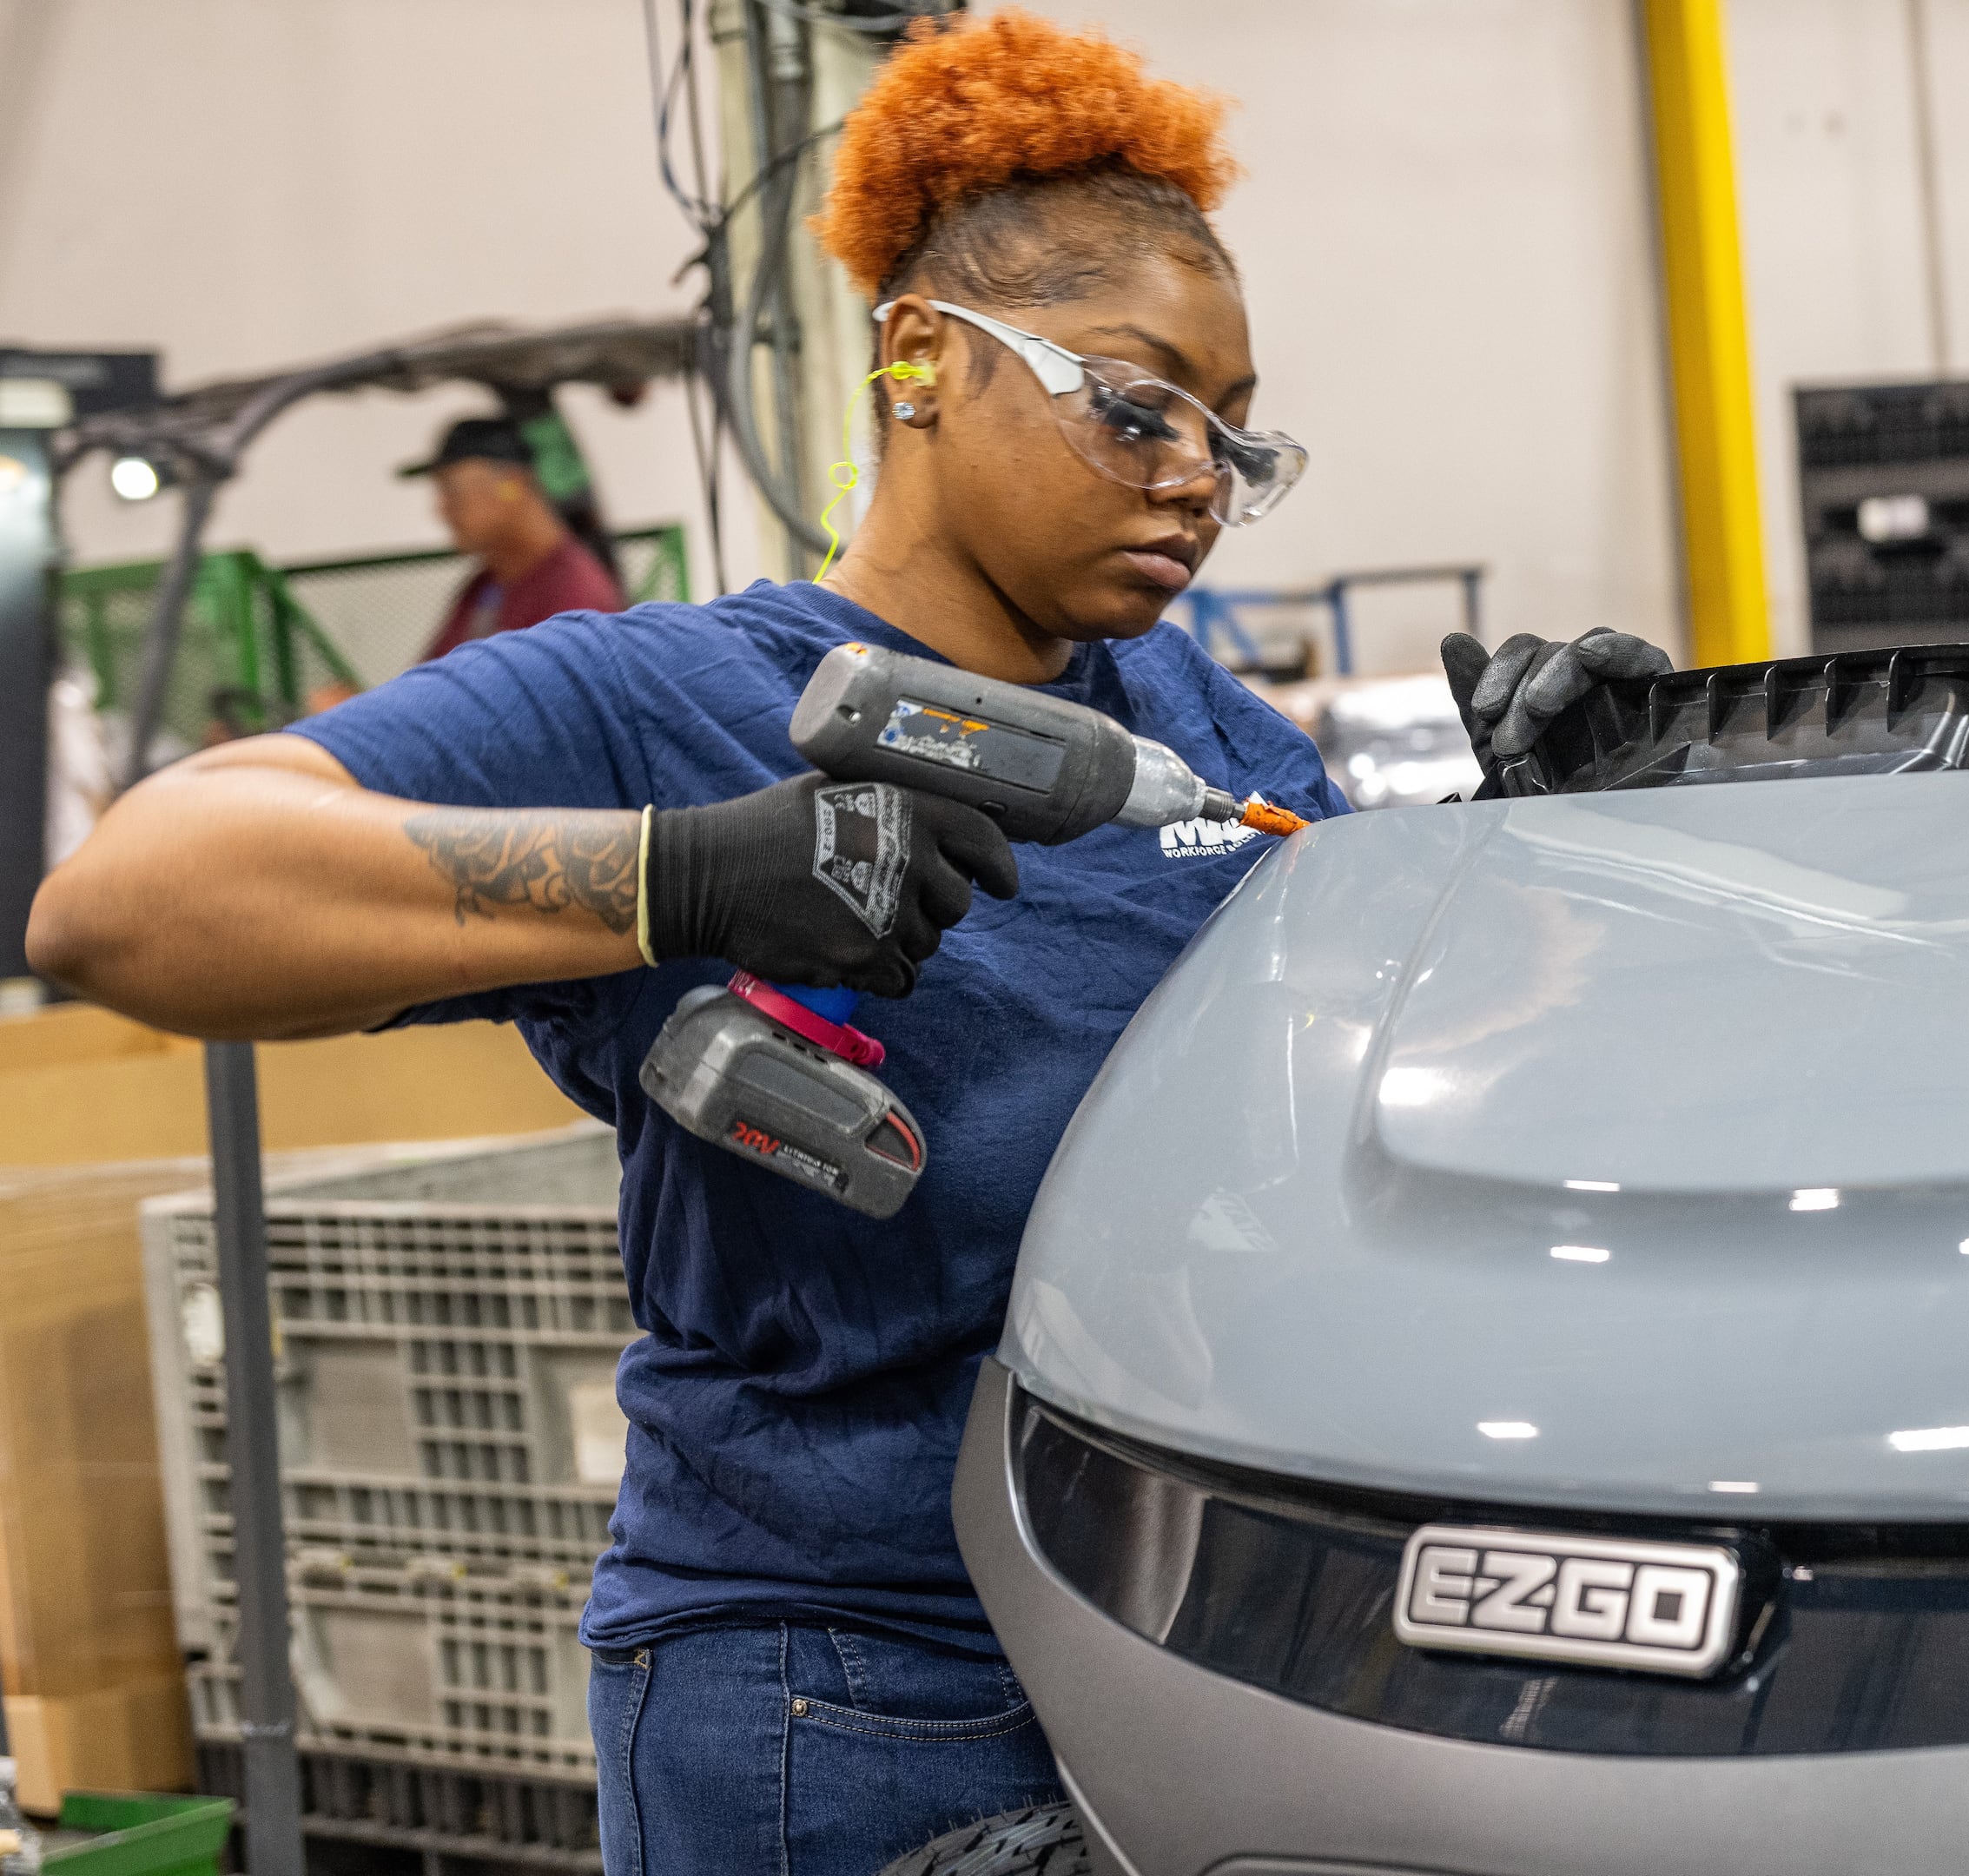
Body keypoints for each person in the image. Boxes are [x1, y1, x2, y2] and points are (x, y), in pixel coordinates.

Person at [27, 14, 1655, 1872]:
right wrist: (683, 879)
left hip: (1179, 1644)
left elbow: (1367, 1129)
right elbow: (127, 902)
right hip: (844, 1692)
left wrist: (1538, 865)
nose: (1196, 477)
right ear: (916, 357)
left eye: (1233, 435)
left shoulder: (1210, 734)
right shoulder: (672, 701)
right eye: (1137, 405)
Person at [406, 416, 626, 663]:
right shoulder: (486, 584)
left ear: (512, 485)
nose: (441, 511)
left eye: (454, 492)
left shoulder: (572, 594)